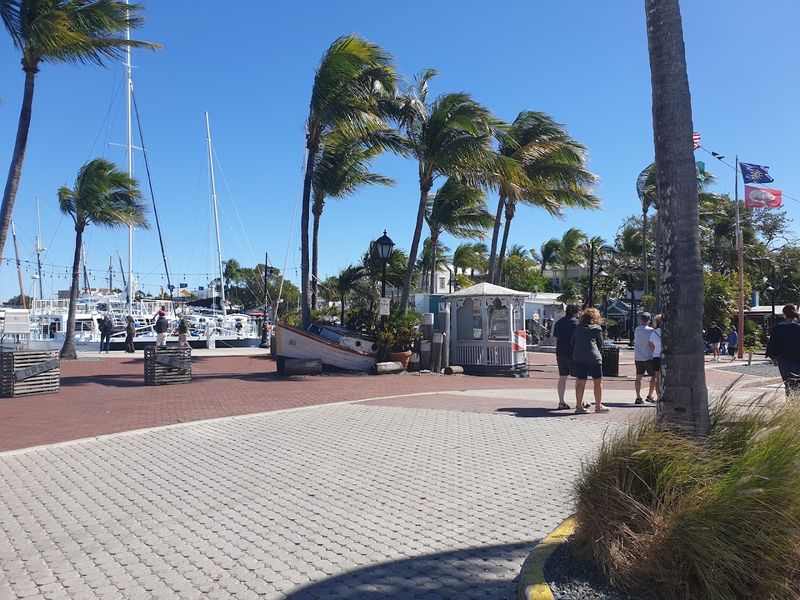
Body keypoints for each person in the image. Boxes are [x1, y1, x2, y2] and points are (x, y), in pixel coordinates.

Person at [571, 307, 608, 414]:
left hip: (578, 357)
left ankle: (578, 406)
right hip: (594, 358)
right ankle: (598, 405)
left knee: (580, 382)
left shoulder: (577, 329)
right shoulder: (597, 329)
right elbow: (601, 344)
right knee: (597, 382)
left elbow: (572, 342)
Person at [766, 304, 800, 397]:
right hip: (797, 360)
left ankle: (789, 405)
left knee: (788, 384)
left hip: (783, 360)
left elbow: (772, 344)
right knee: (797, 385)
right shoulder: (798, 327)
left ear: (784, 314)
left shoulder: (777, 328)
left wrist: (773, 358)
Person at [552, 304, 580, 410]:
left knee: (562, 377)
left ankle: (561, 401)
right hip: (573, 354)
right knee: (579, 377)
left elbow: (555, 339)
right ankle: (579, 401)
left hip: (560, 353)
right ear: (575, 312)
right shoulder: (577, 323)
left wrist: (557, 350)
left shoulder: (559, 322)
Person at [633, 312, 656, 404]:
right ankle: (650, 395)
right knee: (654, 376)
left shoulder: (637, 329)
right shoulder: (651, 331)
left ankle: (638, 396)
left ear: (641, 320)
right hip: (648, 357)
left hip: (638, 357)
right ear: (649, 320)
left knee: (638, 377)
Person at [648, 314, 663, 401]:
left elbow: (651, 344)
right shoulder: (667, 331)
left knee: (658, 378)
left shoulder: (654, 333)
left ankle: (658, 396)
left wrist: (656, 349)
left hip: (656, 356)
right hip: (666, 357)